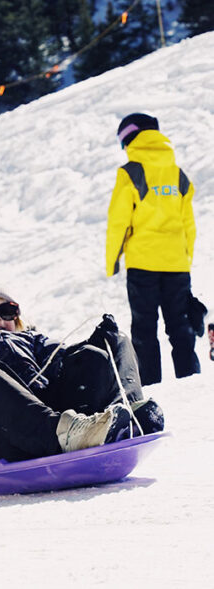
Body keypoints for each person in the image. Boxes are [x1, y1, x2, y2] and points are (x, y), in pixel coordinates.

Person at [0, 281, 163, 475]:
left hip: (47, 410)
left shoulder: (34, 341)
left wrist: (97, 343)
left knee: (114, 341)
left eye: (6, 311)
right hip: (1, 434)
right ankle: (67, 434)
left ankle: (126, 415)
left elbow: (67, 358)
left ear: (17, 319)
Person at [106, 112, 200, 385]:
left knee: (145, 330)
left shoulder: (130, 172)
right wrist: (185, 258)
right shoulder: (178, 175)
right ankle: (191, 384)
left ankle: (150, 389)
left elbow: (118, 222)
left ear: (131, 139)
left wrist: (113, 260)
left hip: (143, 264)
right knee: (180, 328)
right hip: (176, 265)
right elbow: (188, 225)